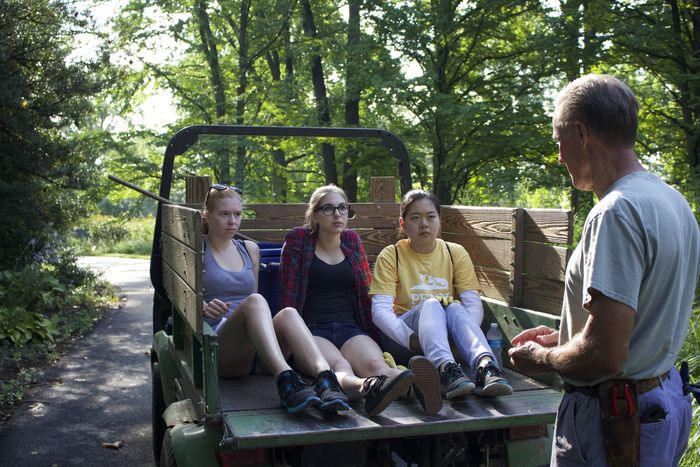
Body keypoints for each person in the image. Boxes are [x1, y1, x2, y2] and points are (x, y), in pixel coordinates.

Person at [508, 74, 700, 466]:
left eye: (558, 139)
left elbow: (607, 354)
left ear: (582, 133)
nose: (559, 155)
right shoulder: (673, 202)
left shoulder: (615, 212)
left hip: (614, 423)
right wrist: (563, 338)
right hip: (660, 407)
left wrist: (541, 358)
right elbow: (641, 322)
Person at [279, 185, 442, 416]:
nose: (337, 214)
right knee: (340, 366)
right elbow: (289, 298)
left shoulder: (351, 241)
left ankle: (417, 385)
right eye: (328, 209)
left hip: (350, 329)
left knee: (378, 366)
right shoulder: (299, 241)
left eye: (342, 208)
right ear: (314, 215)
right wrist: (288, 344)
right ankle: (368, 387)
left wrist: (374, 335)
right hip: (311, 330)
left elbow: (365, 292)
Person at [202, 184, 349, 414]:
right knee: (257, 301)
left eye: (237, 214)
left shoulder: (249, 249)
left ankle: (325, 378)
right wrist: (201, 305)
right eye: (224, 214)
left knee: (288, 313)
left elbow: (253, 296)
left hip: (260, 350)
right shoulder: (197, 249)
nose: (232, 221)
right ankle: (285, 379)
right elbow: (183, 296)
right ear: (207, 216)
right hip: (223, 349)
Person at [370, 189, 513, 400]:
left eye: (430, 216)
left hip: (446, 338)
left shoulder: (455, 252)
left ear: (439, 220)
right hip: (405, 339)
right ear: (403, 223)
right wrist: (410, 339)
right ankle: (445, 369)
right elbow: (380, 311)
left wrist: (456, 337)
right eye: (415, 218)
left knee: (454, 307)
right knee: (431, 305)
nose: (424, 224)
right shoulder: (392, 255)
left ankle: (486, 367)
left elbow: (472, 305)